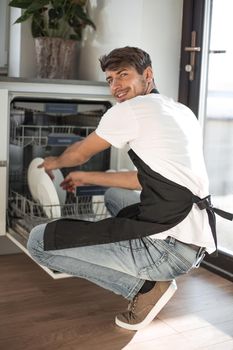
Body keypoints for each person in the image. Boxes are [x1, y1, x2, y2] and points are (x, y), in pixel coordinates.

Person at [27, 46, 220, 331]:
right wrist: (87, 178)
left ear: (148, 75)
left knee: (38, 241)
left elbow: (80, 152)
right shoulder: (180, 111)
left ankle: (144, 288)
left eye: (123, 75)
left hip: (167, 250)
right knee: (114, 196)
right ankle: (147, 268)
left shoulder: (129, 110)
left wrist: (54, 161)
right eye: (109, 79)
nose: (116, 86)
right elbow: (151, 179)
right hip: (195, 241)